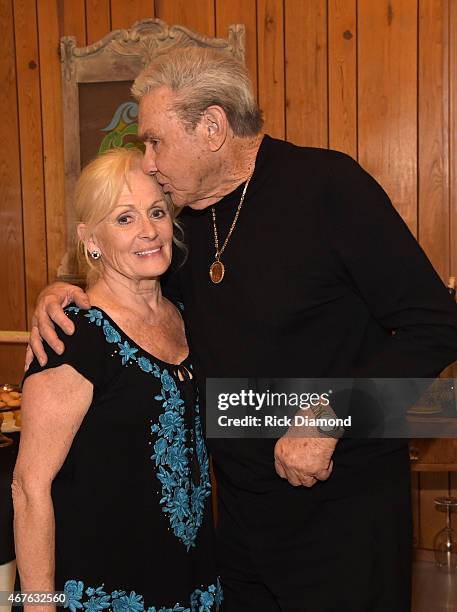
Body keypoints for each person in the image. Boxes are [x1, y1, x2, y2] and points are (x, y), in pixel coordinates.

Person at [29, 48, 457, 611]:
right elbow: (135, 300)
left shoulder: (329, 187)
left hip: (343, 521)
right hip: (235, 536)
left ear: (212, 127)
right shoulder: (181, 224)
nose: (149, 160)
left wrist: (332, 416)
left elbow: (436, 326)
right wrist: (61, 293)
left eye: (155, 140)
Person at [13, 148, 222, 612]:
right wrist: (38, 606)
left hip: (191, 586)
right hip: (96, 594)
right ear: (91, 240)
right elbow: (29, 488)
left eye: (157, 212)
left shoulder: (189, 317)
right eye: (124, 218)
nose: (148, 231)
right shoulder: (73, 334)